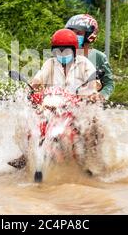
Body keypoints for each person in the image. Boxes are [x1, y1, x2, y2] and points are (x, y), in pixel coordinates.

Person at [8, 29, 100, 169]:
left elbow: (95, 83)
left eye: (66, 51)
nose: (62, 54)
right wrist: (31, 89)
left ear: (74, 50)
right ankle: (27, 155)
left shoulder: (84, 64)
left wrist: (92, 93)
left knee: (92, 128)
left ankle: (90, 163)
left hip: (79, 106)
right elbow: (38, 80)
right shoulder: (50, 64)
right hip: (53, 105)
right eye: (58, 51)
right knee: (31, 123)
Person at [65, 14, 114, 101]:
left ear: (89, 35)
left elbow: (109, 83)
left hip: (90, 102)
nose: (74, 36)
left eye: (79, 33)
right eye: (72, 32)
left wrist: (101, 96)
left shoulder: (98, 56)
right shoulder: (64, 55)